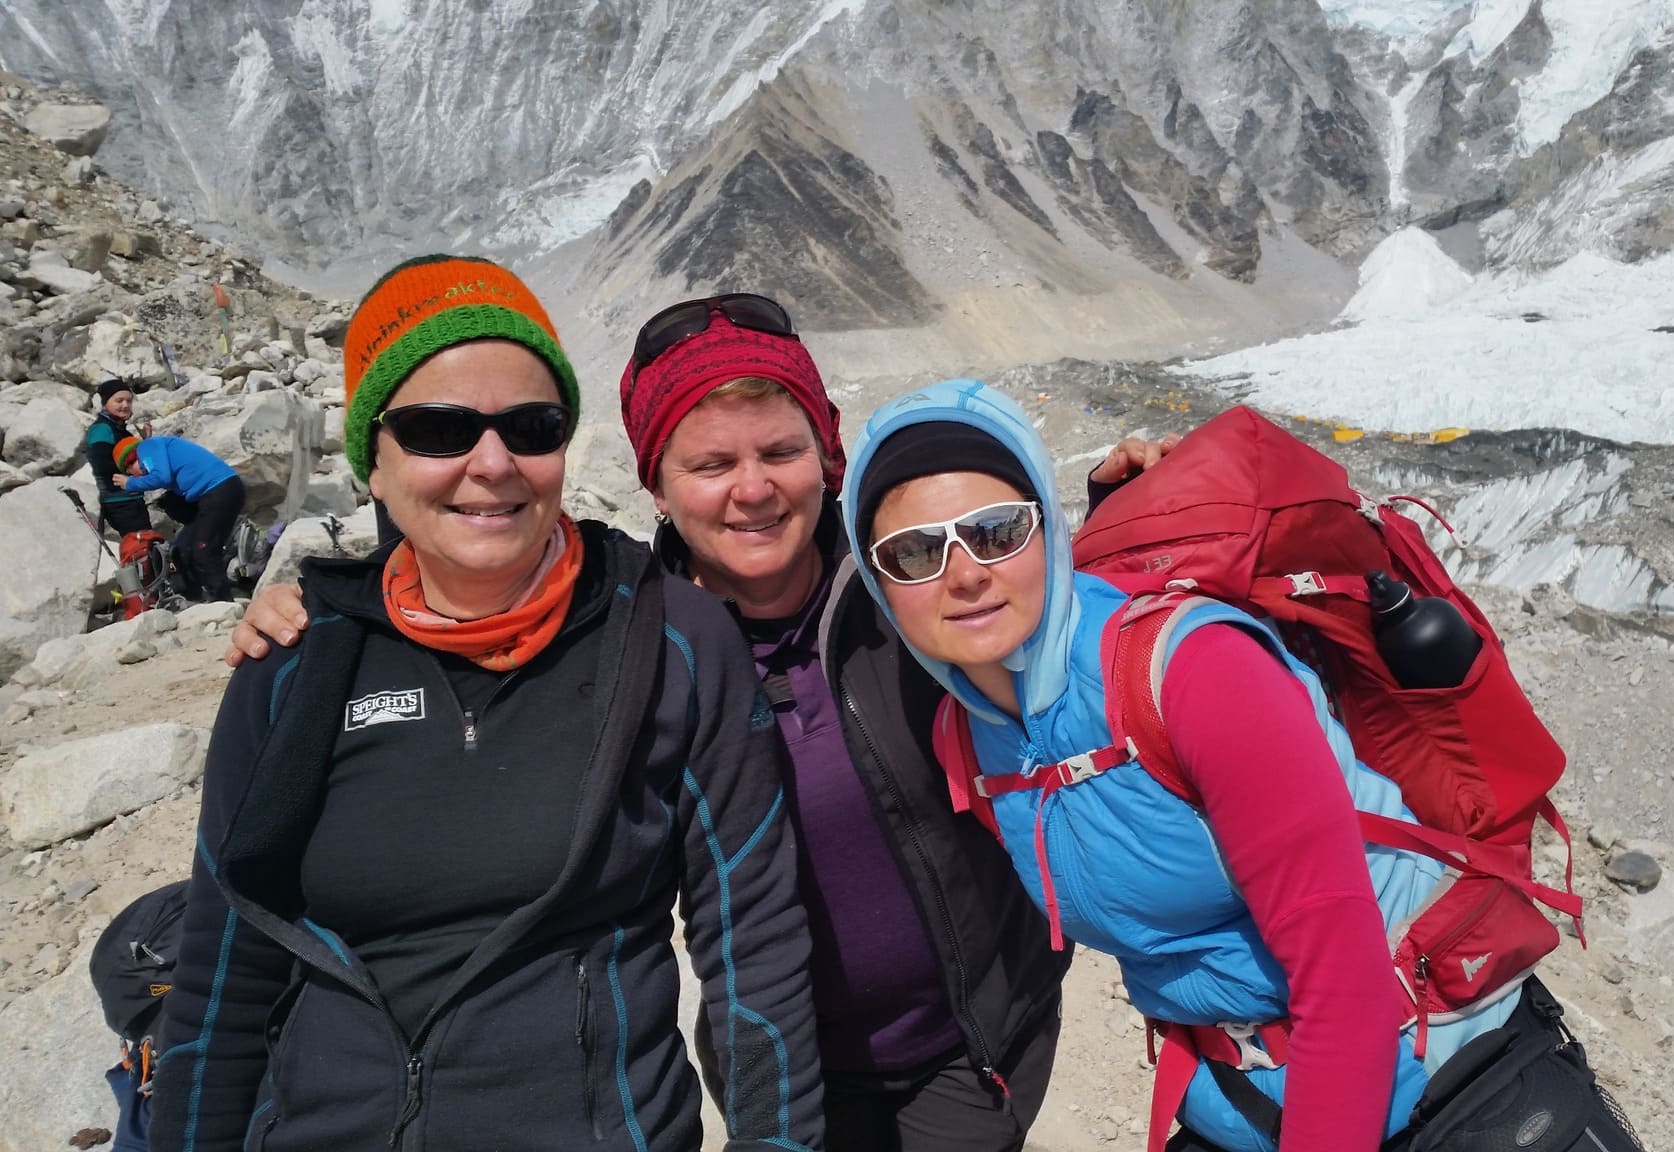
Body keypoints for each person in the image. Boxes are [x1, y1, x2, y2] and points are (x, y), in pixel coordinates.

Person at [232, 295, 1100, 1152]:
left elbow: (1043, 596)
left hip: (971, 1045)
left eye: (781, 451)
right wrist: (328, 616)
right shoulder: (634, 636)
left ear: (827, 459)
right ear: (655, 480)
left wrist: (1153, 507)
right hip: (777, 1062)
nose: (753, 489)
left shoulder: (906, 580)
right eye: (710, 464)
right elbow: (475, 575)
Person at [839, 380, 1636, 1152]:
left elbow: (1345, 990)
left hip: (1444, 1081)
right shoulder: (967, 735)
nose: (966, 573)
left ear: (1047, 527)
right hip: (1249, 1106)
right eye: (913, 553)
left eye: (996, 530)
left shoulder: (1196, 672)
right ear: (879, 585)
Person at [150, 256, 824, 1152]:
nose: (494, 463)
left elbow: (754, 952)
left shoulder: (672, 642)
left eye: (533, 426)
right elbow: (225, 972)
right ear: (373, 464)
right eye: (439, 430)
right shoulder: (293, 667)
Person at [112, 434, 243, 602]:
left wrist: (129, 483)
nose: (135, 475)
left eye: (131, 470)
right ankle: (194, 599)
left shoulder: (147, 447)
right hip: (213, 495)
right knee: (181, 550)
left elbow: (161, 476)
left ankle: (224, 604)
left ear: (131, 461)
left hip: (219, 490)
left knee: (204, 550)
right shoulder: (157, 449)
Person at [84, 379, 152, 536]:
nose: (125, 405)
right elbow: (101, 464)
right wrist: (131, 469)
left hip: (131, 498)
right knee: (141, 548)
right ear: (105, 403)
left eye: (129, 401)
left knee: (147, 546)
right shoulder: (102, 429)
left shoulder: (120, 429)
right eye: (119, 401)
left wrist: (147, 441)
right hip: (119, 502)